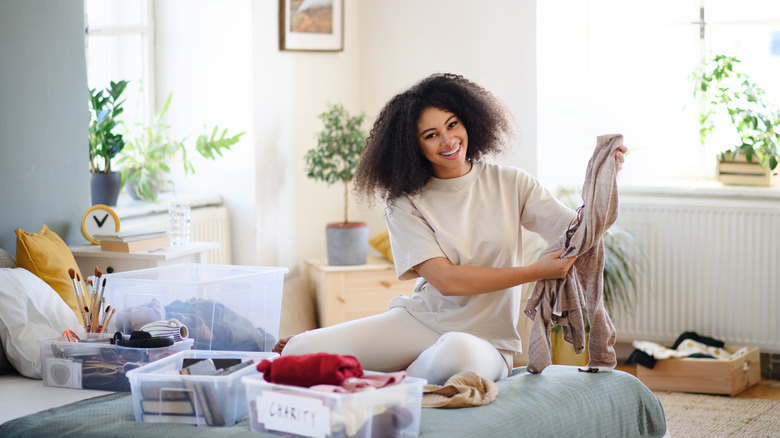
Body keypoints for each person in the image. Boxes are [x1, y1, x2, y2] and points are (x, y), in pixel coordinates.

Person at [277, 73, 627, 385]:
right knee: (300, 348)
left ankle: (392, 381)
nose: (448, 140)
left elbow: (578, 234)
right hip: (422, 321)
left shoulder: (512, 183)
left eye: (453, 124)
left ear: (470, 121)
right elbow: (446, 281)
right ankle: (397, 371)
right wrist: (535, 271)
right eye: (431, 135)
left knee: (455, 354)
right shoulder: (404, 202)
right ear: (413, 147)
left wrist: (606, 178)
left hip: (486, 342)